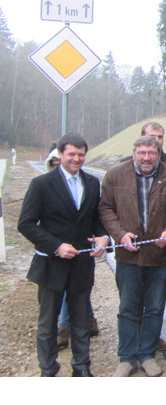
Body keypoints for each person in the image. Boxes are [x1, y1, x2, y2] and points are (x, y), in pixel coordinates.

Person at [18, 133, 109, 377]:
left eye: (81, 154)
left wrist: (103, 237)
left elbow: (96, 220)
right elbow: (26, 224)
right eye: (71, 154)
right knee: (48, 323)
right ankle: (48, 370)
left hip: (81, 264)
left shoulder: (92, 183)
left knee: (80, 322)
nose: (77, 159)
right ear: (60, 154)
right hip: (51, 263)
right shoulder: (41, 185)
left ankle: (81, 369)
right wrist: (56, 246)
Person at [99, 136, 166, 377]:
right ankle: (126, 358)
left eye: (152, 153)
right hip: (128, 255)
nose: (147, 158)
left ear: (159, 154)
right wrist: (120, 235)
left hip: (160, 253)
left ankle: (147, 355)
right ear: (134, 152)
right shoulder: (115, 174)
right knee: (128, 308)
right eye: (142, 152)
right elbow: (105, 209)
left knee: (155, 308)